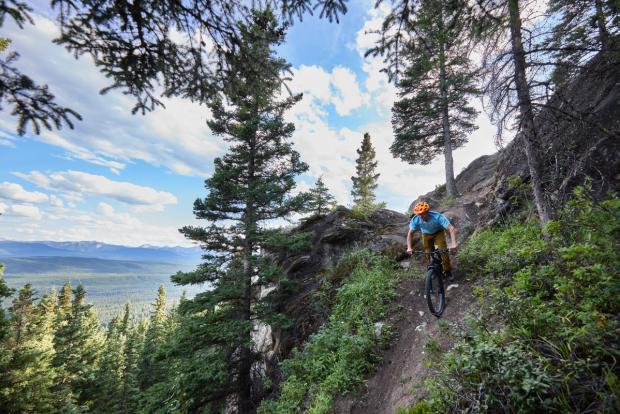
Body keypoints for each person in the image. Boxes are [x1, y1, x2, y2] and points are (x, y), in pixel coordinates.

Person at [406, 201, 457, 280]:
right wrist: (409, 247)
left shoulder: (437, 217)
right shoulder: (416, 219)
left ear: (427, 212)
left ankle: (447, 271)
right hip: (426, 234)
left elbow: (451, 228)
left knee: (443, 251)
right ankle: (431, 269)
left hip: (438, 232)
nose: (421, 216)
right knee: (428, 252)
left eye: (423, 213)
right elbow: (410, 234)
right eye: (419, 214)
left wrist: (454, 244)